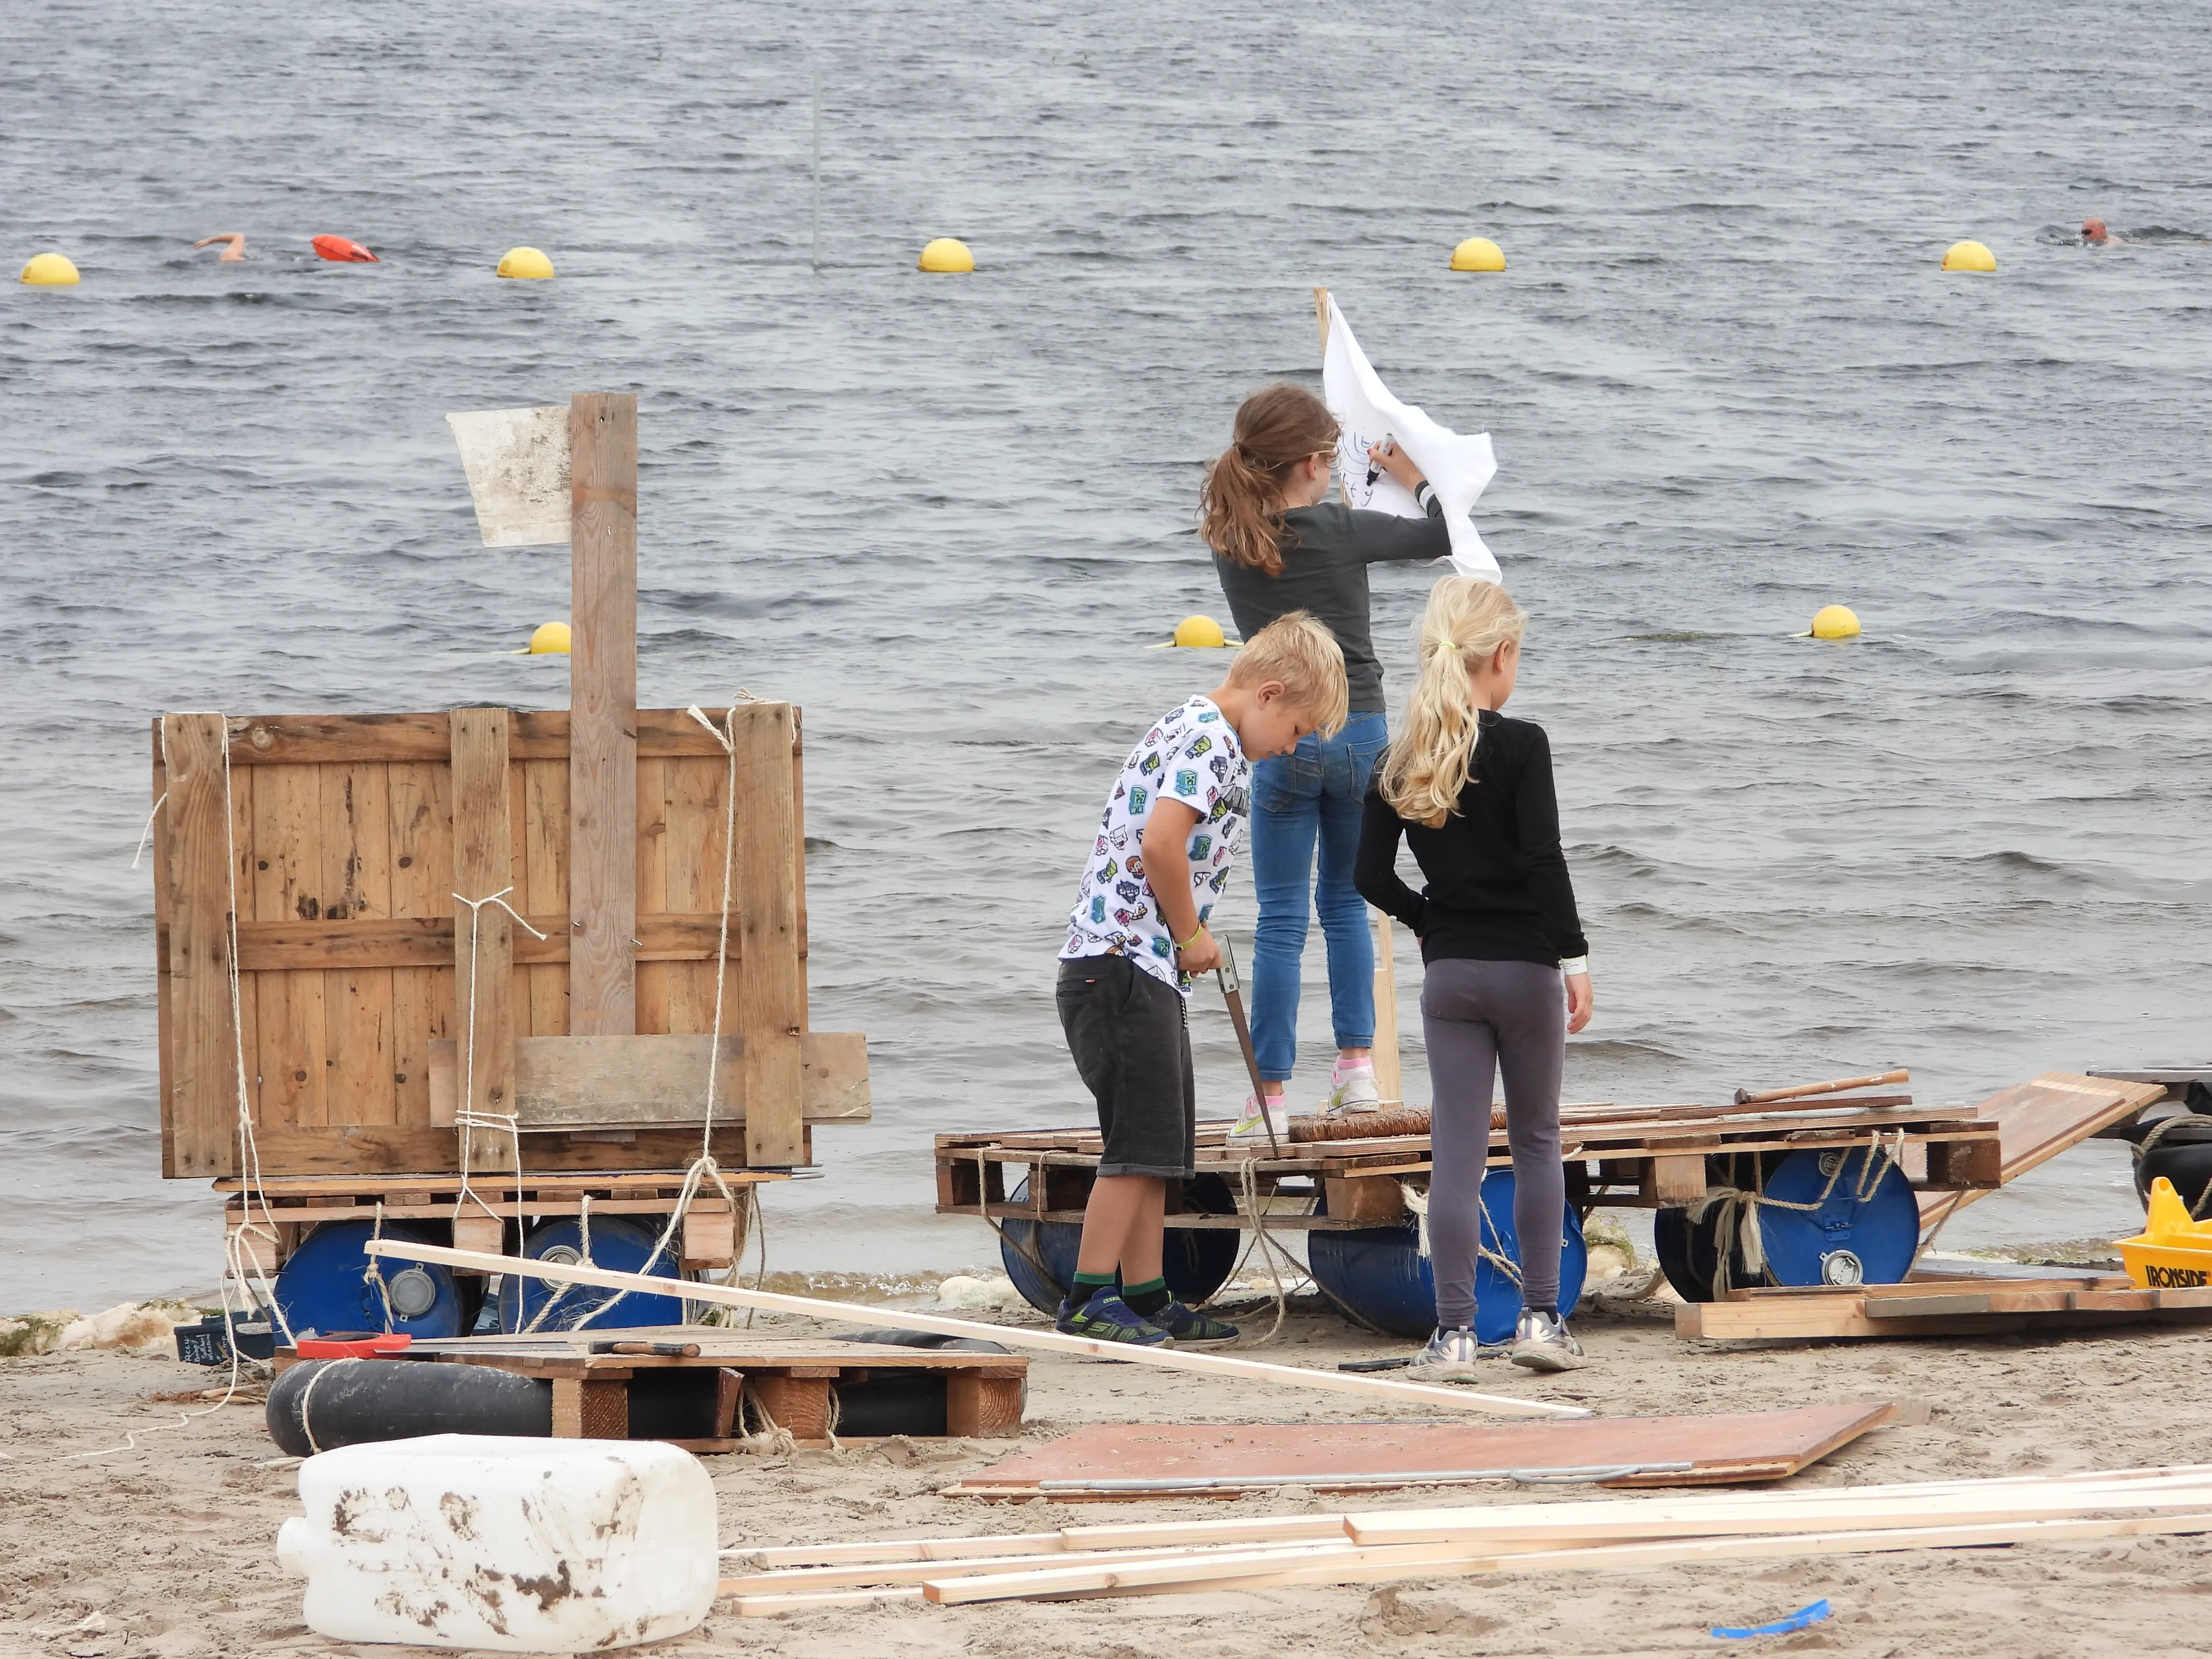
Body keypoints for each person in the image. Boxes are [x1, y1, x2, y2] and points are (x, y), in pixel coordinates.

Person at [1056, 612, 1350, 1345]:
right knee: (1133, 1148)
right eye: (1297, 730)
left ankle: (1148, 1293)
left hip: (1133, 968)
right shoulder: (1210, 740)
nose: (1293, 747)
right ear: (1269, 695)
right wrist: (1190, 933)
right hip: (1123, 963)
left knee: (1158, 1145)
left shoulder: (1196, 725)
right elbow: (1161, 844)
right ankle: (1088, 1298)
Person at [1354, 576, 1594, 1375]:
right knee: (1534, 1142)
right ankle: (1537, 1322)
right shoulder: (1524, 746)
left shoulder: (1401, 758)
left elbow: (1366, 875)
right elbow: (1542, 859)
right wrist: (1574, 956)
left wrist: (1428, 921)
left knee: (1455, 1153)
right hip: (1526, 971)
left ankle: (1452, 1332)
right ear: (1503, 655)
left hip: (1450, 975)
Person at [1202, 382, 1451, 1142]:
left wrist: (1330, 499)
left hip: (1279, 732)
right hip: (1359, 731)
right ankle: (1356, 1071)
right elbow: (1441, 533)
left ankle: (1270, 1091)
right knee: (1346, 906)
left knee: (1279, 918)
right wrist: (1411, 476)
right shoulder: (1342, 528)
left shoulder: (1229, 538)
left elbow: (1293, 533)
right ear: (1314, 463)